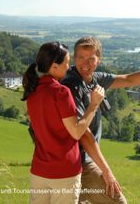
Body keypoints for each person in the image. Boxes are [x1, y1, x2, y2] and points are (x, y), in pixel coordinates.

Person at [61, 37, 140, 204]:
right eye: (80, 58)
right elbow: (84, 134)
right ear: (73, 58)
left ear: (99, 59)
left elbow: (129, 79)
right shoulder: (71, 86)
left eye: (91, 58)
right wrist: (107, 171)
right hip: (80, 163)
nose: (85, 63)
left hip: (80, 162)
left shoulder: (95, 79)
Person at [22, 42, 105, 204]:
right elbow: (76, 132)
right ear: (54, 66)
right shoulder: (61, 92)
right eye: (66, 63)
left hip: (39, 170)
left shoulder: (32, 89)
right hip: (64, 171)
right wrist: (94, 105)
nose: (68, 67)